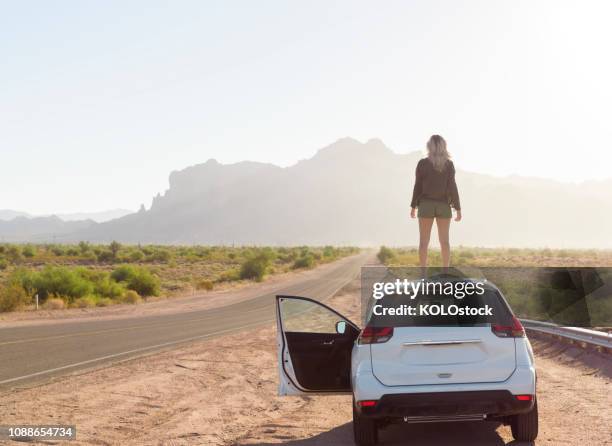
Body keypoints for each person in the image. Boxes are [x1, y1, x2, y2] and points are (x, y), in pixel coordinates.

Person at [410, 134, 461, 272]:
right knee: (444, 242)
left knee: (423, 243)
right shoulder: (449, 165)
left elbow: (417, 186)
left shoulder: (422, 163)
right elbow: (452, 186)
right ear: (444, 146)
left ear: (429, 146)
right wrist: (458, 208)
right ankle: (445, 272)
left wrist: (413, 206)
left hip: (425, 205)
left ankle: (423, 273)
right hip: (444, 206)